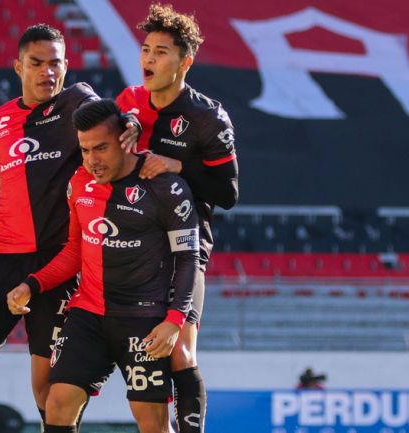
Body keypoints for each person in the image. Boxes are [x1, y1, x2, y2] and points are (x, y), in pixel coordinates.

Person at [0, 24, 140, 433]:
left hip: (57, 265)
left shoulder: (78, 102)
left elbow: (113, 119)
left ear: (66, 66)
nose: (47, 72)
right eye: (37, 63)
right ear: (17, 66)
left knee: (47, 389)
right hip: (2, 258)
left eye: (55, 63)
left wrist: (129, 121)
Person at [7, 99, 201, 433]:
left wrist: (173, 321)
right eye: (84, 150)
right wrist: (32, 283)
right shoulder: (79, 183)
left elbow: (188, 259)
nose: (92, 161)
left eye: (101, 148)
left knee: (153, 423)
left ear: (125, 140)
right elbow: (74, 250)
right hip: (89, 316)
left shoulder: (166, 188)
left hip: (144, 322)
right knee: (58, 402)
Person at [115, 4, 239, 432]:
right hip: (126, 244)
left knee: (180, 352)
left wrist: (177, 165)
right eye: (146, 49)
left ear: (185, 61)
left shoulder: (208, 117)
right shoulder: (129, 100)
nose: (149, 59)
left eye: (161, 52)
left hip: (183, 246)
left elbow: (228, 192)